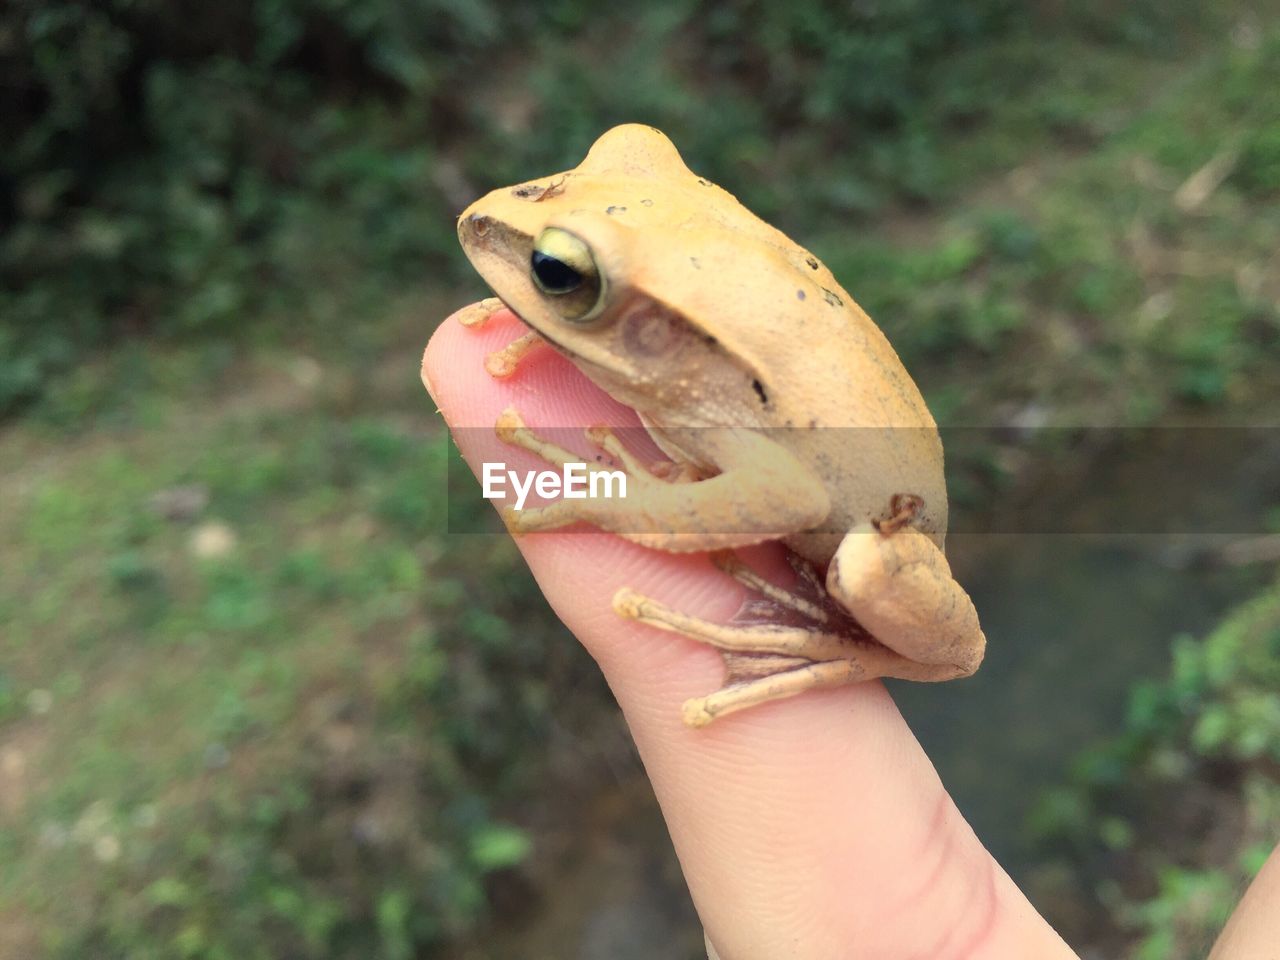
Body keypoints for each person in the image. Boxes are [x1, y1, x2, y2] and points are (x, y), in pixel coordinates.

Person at [423, 307, 1278, 959]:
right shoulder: (682, 348)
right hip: (794, 430)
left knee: (866, 568)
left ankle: (851, 642)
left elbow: (791, 499)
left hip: (878, 537)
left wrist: (605, 497)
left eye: (566, 282)